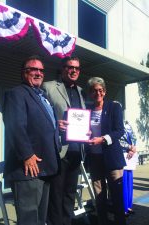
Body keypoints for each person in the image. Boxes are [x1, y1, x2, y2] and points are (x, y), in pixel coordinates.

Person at [2, 55, 60, 225]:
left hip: (46, 167)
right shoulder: (17, 93)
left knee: (40, 218)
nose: (38, 73)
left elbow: (43, 126)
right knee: (28, 219)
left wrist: (58, 125)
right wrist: (27, 155)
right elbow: (15, 126)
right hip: (28, 170)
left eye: (41, 70)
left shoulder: (42, 97)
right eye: (33, 69)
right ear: (23, 73)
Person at [42, 56, 86, 225]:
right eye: (70, 67)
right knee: (56, 196)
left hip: (76, 151)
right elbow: (41, 116)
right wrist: (54, 124)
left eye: (77, 68)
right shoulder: (49, 87)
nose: (73, 70)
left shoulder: (82, 91)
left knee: (69, 194)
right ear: (63, 69)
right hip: (58, 151)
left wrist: (86, 131)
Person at [86, 77, 126, 225]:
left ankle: (120, 222)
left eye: (100, 90)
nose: (98, 93)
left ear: (105, 92)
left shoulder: (114, 107)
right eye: (94, 90)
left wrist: (102, 139)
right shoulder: (87, 110)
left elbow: (119, 131)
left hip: (112, 158)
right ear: (90, 93)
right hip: (94, 158)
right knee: (99, 195)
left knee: (116, 194)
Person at [119, 121, 137, 217]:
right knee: (123, 182)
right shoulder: (116, 124)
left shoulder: (127, 124)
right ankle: (124, 208)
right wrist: (129, 147)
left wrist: (132, 149)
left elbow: (134, 137)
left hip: (130, 155)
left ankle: (129, 206)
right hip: (122, 155)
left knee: (129, 182)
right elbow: (117, 139)